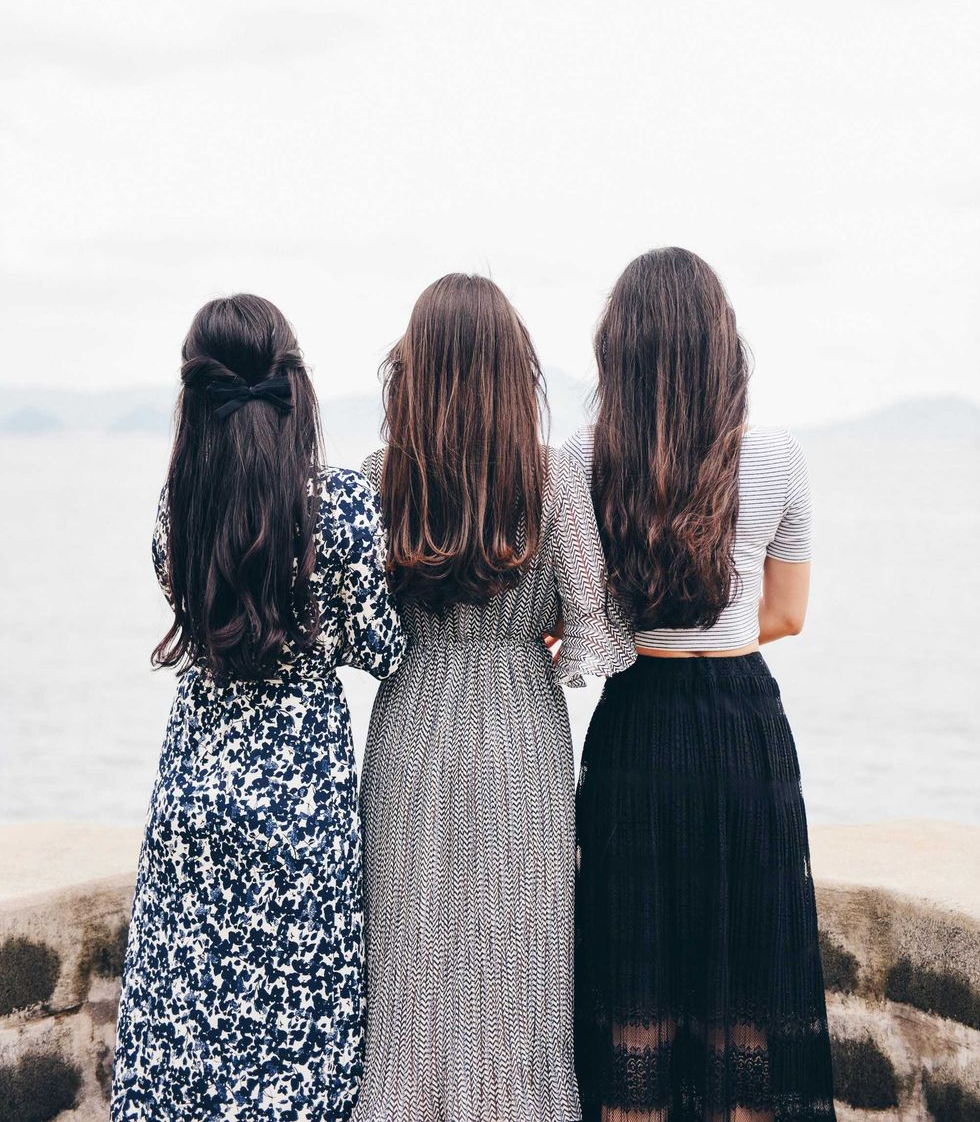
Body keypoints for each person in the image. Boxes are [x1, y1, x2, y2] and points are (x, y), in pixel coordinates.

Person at [111, 294, 404, 1122]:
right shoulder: (341, 509)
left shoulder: (179, 511)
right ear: (293, 388)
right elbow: (382, 647)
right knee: (299, 1066)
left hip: (193, 803)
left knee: (187, 1048)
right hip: (302, 817)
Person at [354, 273, 635, 1122]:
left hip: (411, 719)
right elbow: (599, 629)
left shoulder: (378, 477)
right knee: (516, 967)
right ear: (518, 370)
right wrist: (539, 638)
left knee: (409, 969)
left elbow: (361, 631)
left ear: (416, 371)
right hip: (519, 726)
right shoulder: (550, 480)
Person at [569, 247, 835, 1122]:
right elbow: (787, 613)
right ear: (724, 346)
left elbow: (570, 619)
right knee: (746, 999)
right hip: (742, 726)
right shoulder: (778, 458)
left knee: (633, 997)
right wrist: (713, 631)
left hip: (637, 723)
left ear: (620, 349)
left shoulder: (582, 458)